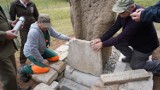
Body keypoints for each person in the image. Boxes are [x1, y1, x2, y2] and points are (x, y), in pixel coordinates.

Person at [91, 0, 160, 75]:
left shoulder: (138, 19)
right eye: (119, 12)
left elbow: (121, 37)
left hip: (145, 46)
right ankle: (131, 57)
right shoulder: (124, 13)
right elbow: (115, 27)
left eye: (122, 12)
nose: (120, 14)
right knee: (115, 41)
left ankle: (157, 65)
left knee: (135, 66)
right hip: (135, 39)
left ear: (131, 7)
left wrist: (102, 44)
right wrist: (101, 39)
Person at [18, 14, 71, 81]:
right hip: (31, 52)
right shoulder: (33, 32)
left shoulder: (47, 26)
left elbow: (57, 35)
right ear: (39, 23)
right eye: (45, 26)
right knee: (45, 69)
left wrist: (68, 38)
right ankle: (23, 70)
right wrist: (41, 60)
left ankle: (39, 60)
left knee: (55, 57)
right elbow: (33, 49)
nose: (47, 28)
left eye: (48, 25)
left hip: (41, 49)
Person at [0, 5, 31, 90]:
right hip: (1, 51)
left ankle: (16, 88)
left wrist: (11, 23)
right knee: (9, 77)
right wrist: (4, 34)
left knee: (13, 72)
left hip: (7, 46)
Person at [9, 0, 39, 66]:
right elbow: (11, 17)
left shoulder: (32, 3)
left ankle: (37, 57)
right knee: (24, 42)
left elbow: (36, 15)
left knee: (35, 41)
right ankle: (22, 61)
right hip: (23, 27)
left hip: (33, 25)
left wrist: (39, 25)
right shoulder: (15, 4)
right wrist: (13, 28)